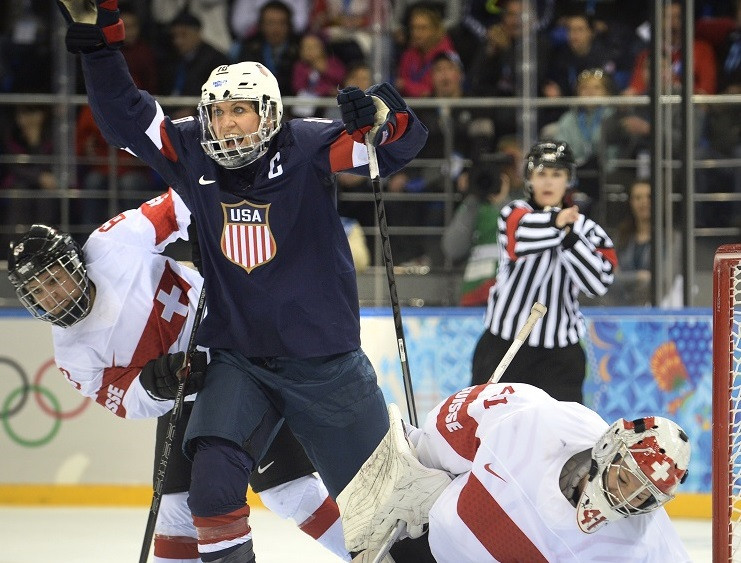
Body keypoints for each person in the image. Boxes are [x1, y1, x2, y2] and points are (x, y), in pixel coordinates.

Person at [54, 1, 430, 561]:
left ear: (270, 113)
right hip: (240, 361)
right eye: (217, 111)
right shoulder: (192, 151)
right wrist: (99, 42)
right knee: (209, 492)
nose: (225, 124)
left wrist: (381, 117)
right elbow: (125, 117)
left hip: (325, 364)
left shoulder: (306, 145)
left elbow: (394, 148)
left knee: (388, 511)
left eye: (240, 111)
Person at [6, 191, 350, 562]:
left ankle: (368, 551)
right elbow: (124, 399)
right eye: (37, 292)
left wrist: (212, 230)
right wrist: (154, 387)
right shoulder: (72, 354)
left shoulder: (112, 243)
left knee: (288, 491)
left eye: (54, 281)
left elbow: (185, 199)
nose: (50, 298)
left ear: (75, 264)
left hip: (235, 354)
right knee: (174, 514)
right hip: (183, 397)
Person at [407, 381, 692, 562]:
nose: (624, 498)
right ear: (610, 446)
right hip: (419, 541)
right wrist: (415, 465)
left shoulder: (649, 546)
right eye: (626, 478)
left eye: (642, 497)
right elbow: (441, 435)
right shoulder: (539, 421)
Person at [470, 141, 616, 403]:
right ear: (529, 179)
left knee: (562, 438)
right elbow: (519, 240)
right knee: (489, 428)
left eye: (556, 174)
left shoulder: (588, 229)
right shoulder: (513, 213)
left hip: (560, 354)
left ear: (568, 179)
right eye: (541, 174)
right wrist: (558, 223)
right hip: (505, 344)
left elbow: (600, 281)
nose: (548, 182)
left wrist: (569, 238)